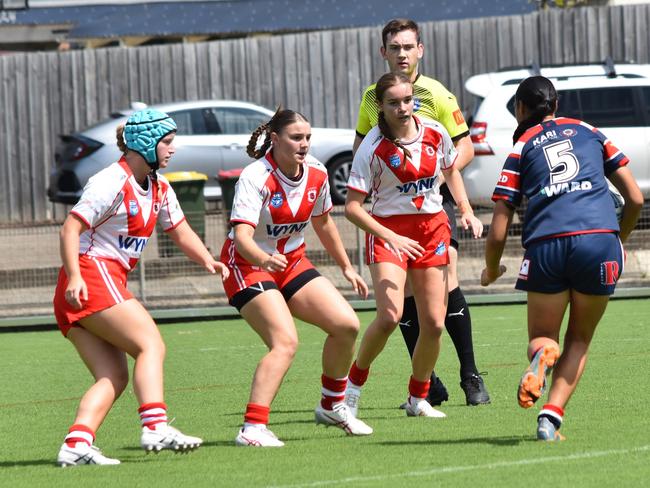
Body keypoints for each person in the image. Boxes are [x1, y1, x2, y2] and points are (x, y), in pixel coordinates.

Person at [53, 108, 229, 466]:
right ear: (145, 143)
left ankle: (76, 443)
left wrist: (207, 260)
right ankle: (155, 425)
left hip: (95, 285)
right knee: (150, 344)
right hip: (90, 277)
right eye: (167, 142)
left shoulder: (160, 187)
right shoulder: (110, 182)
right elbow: (70, 228)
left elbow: (178, 230)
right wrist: (74, 276)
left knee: (113, 376)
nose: (172, 149)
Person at [481, 76, 643, 441]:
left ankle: (542, 356)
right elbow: (633, 198)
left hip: (547, 245)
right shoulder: (588, 130)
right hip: (599, 242)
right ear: (555, 105)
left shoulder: (522, 145)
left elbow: (497, 230)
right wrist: (618, 240)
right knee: (580, 339)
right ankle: (550, 418)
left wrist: (491, 270)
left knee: (543, 338)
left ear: (521, 109)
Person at [353, 18, 489, 406]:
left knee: (447, 286)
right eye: (394, 47)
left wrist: (443, 189)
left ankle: (471, 375)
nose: (401, 54)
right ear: (384, 53)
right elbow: (364, 147)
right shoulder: (371, 97)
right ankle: (428, 386)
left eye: (407, 47)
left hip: (435, 198)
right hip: (392, 209)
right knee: (401, 302)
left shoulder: (438, 95)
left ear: (420, 50)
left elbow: (460, 151)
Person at [220, 107, 372, 447]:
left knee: (346, 324)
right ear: (274, 139)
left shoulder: (316, 172)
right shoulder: (256, 176)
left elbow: (324, 223)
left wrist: (347, 267)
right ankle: (251, 428)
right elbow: (242, 239)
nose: (304, 144)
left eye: (307, 138)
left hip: (290, 261)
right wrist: (264, 258)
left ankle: (332, 405)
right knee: (285, 342)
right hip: (246, 264)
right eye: (295, 138)